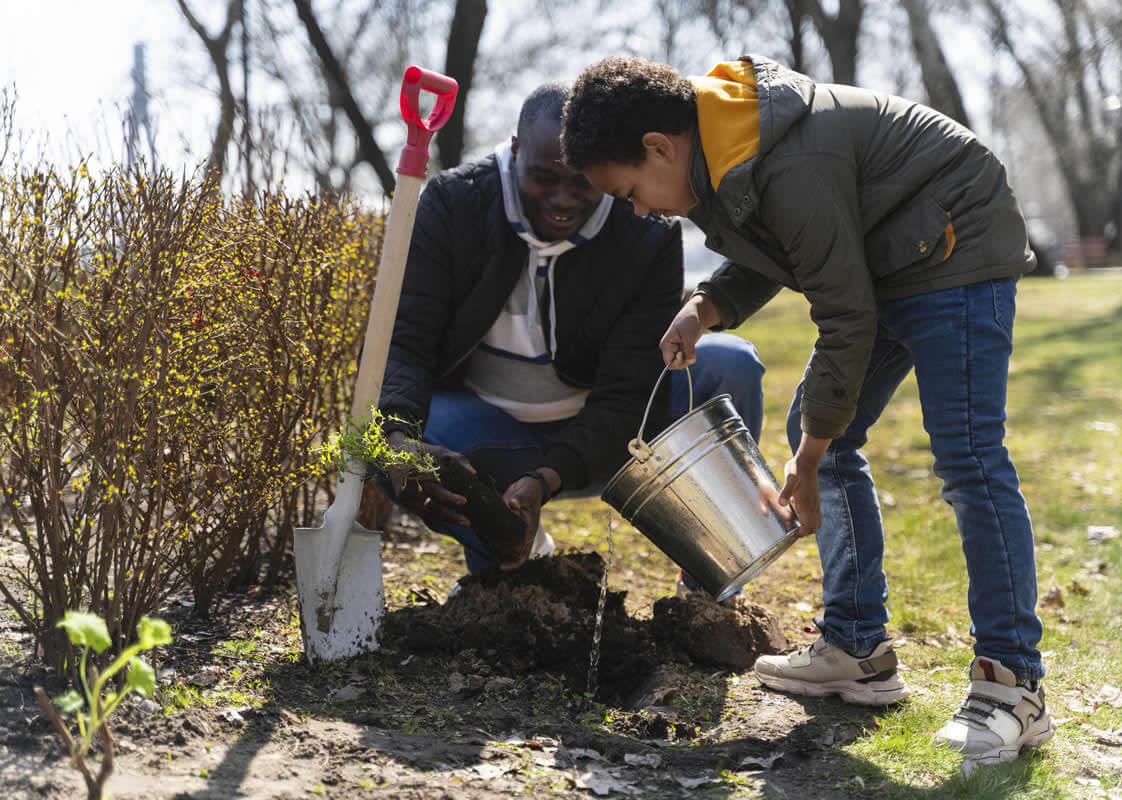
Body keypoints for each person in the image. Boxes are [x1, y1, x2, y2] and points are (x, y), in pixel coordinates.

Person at [561, 55, 1053, 766]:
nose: (640, 209)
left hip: (955, 242)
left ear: (658, 148)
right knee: (815, 427)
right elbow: (779, 247)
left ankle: (1014, 683)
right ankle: (857, 647)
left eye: (632, 190)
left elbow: (844, 313)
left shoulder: (788, 155)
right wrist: (706, 306)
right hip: (892, 255)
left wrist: (813, 453)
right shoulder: (728, 155)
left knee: (967, 452)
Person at [377, 81, 765, 596]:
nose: (562, 200)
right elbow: (407, 340)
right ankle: (509, 555)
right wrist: (400, 444)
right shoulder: (454, 204)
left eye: (581, 181)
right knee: (397, 438)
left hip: (616, 437)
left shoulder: (644, 230)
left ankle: (708, 585)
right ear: (514, 151)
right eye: (542, 178)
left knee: (730, 365)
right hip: (493, 435)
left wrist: (547, 478)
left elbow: (627, 392)